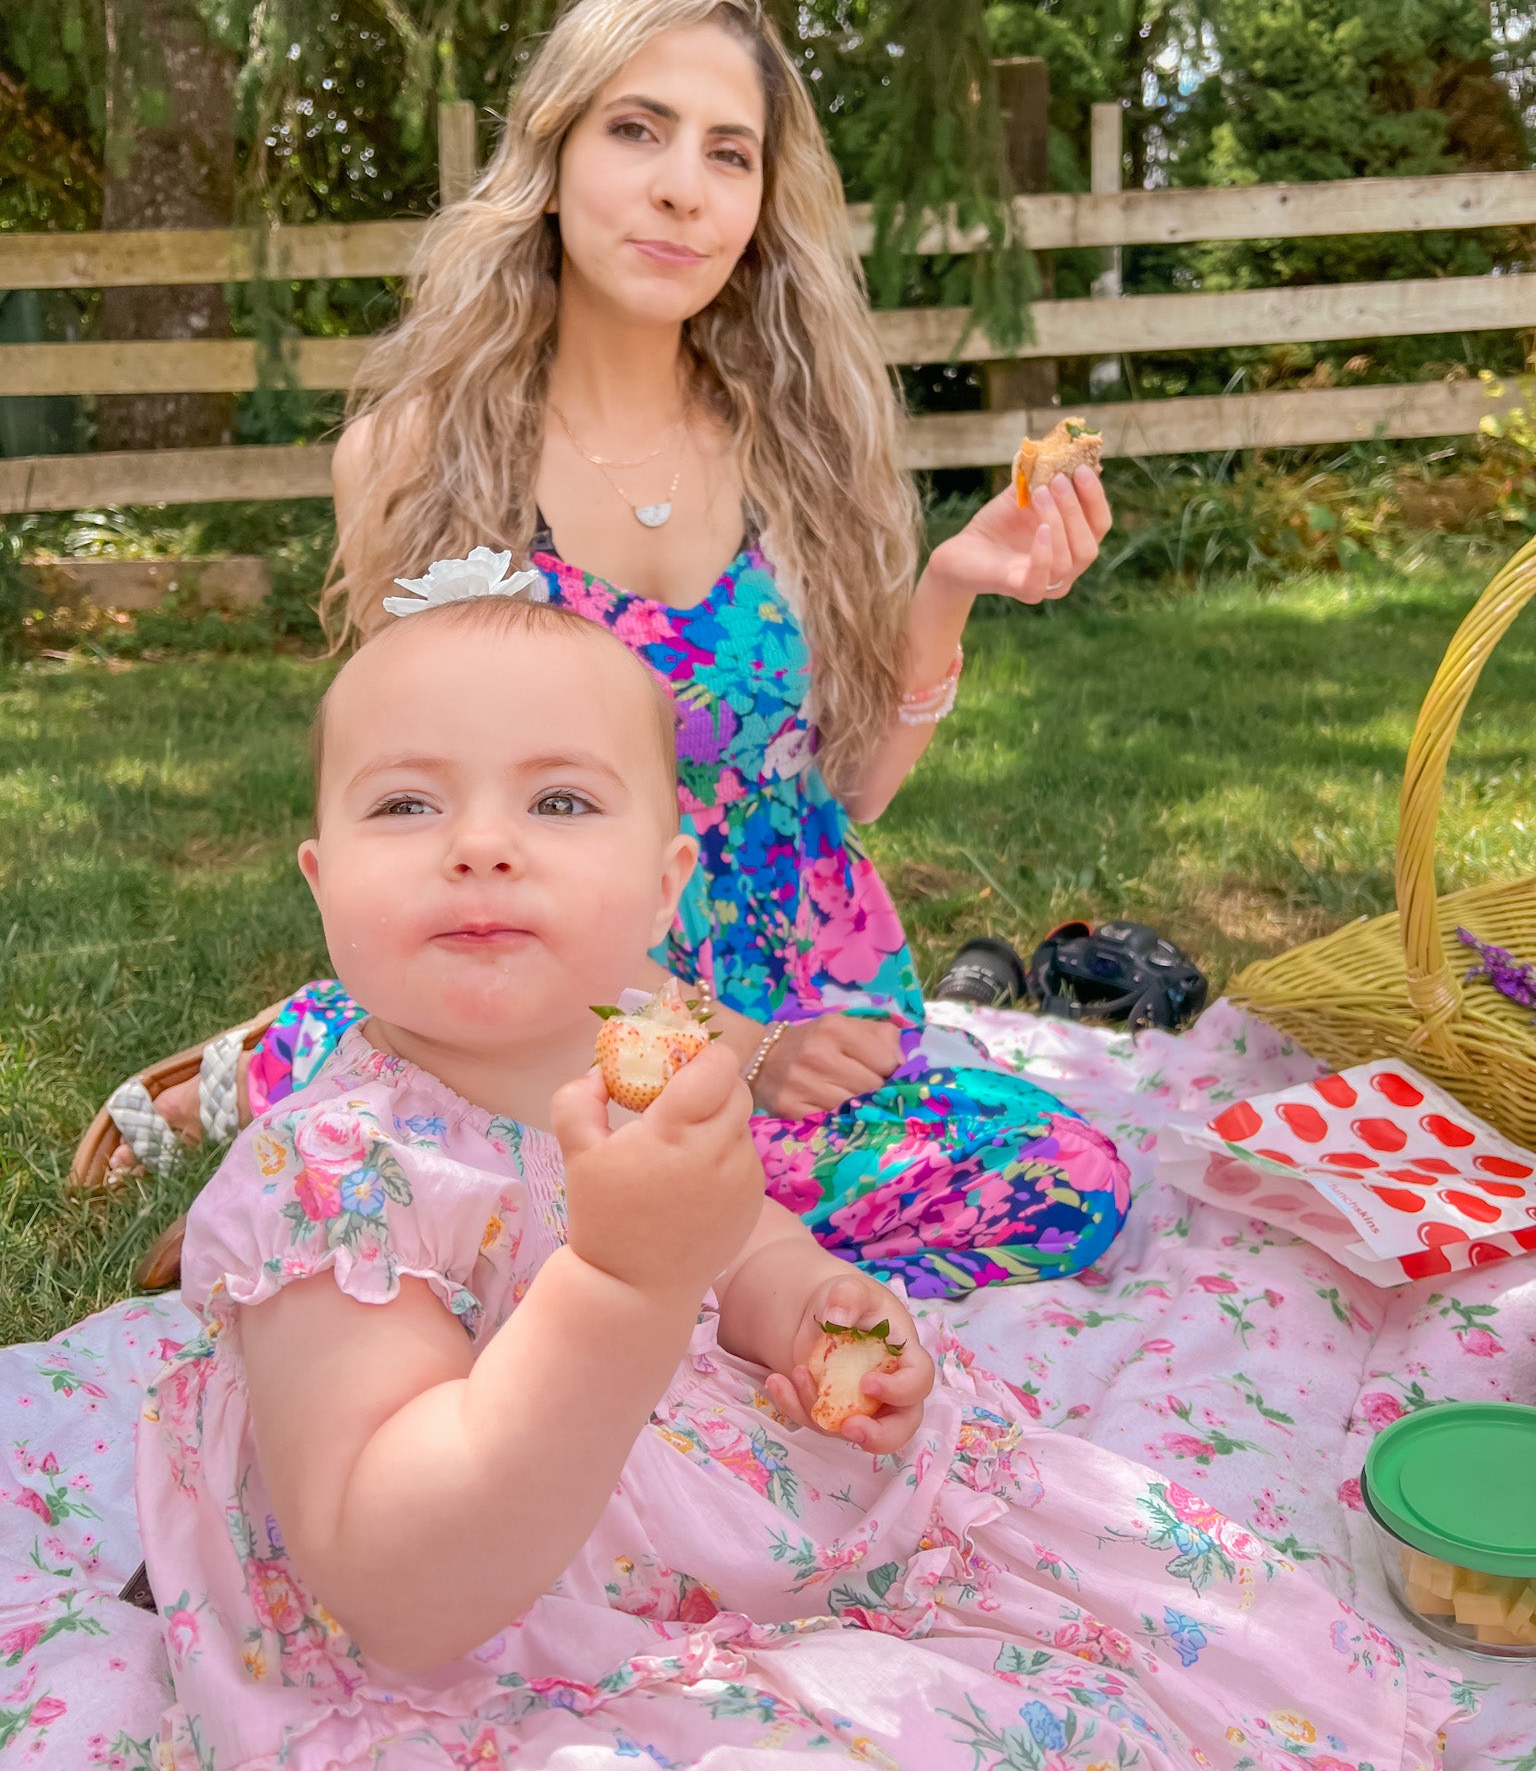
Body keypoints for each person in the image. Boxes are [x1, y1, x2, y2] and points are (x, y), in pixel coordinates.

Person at [136, 591, 1456, 1770]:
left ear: (662, 891)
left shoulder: (639, 1048)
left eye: (558, 801)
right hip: (483, 1592)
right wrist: (621, 1280)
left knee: (1069, 1588)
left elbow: (734, 1234)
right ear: (320, 881)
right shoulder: (333, 1171)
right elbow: (400, 1585)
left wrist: (811, 1301)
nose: (480, 843)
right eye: (408, 802)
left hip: (642, 1464)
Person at [96, 0, 1127, 1298]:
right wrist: (729, 1047)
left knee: (1067, 1184)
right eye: (636, 129)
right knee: (632, 1180)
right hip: (545, 992)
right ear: (556, 152)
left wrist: (947, 591)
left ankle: (433, 1178)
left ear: (760, 205)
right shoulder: (423, 456)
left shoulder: (803, 448)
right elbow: (420, 816)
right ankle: (357, 1101)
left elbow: (847, 791)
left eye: (728, 152)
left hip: (810, 988)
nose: (681, 186)